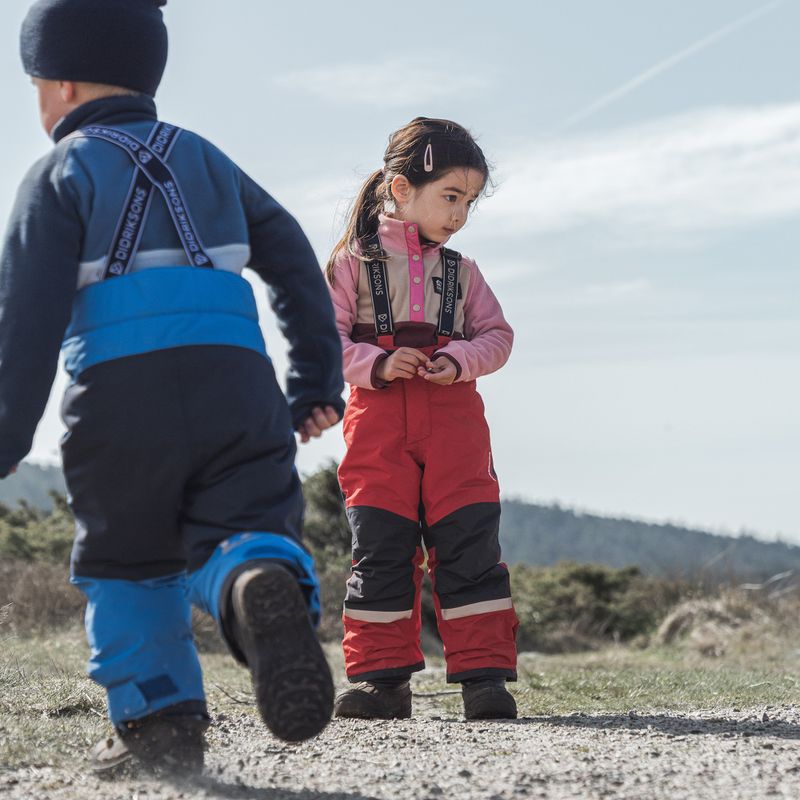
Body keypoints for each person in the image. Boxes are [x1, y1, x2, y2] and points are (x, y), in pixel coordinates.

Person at [0, 0, 344, 773]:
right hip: (237, 385)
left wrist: (7, 431)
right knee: (247, 521)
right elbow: (293, 260)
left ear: (59, 85)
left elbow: (23, 321)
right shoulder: (208, 160)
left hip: (120, 399)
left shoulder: (58, 174)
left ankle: (161, 724)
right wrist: (315, 380)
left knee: (129, 559)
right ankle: (253, 578)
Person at [325, 117, 518, 721]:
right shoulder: (349, 266)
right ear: (402, 189)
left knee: (470, 546)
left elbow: (498, 336)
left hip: (456, 426)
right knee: (380, 549)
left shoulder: (464, 272)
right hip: (377, 428)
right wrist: (377, 364)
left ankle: (485, 680)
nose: (460, 214)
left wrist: (458, 360)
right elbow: (322, 343)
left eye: (470, 202)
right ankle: (382, 684)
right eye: (451, 196)